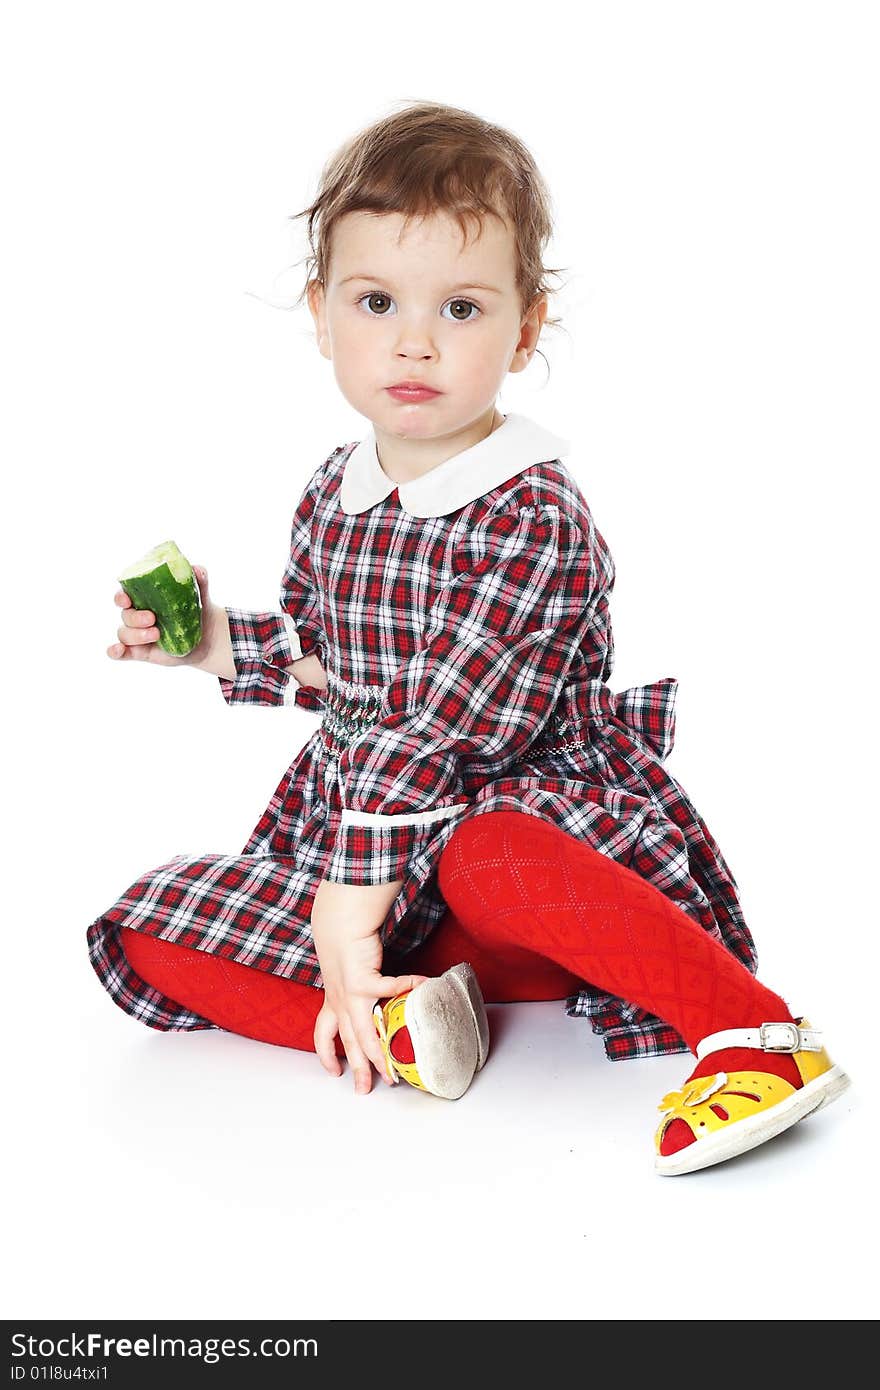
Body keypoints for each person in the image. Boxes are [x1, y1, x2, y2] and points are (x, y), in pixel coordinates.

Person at [89, 100, 849, 1175]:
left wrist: (349, 901)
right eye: (375, 301)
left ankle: (752, 1033)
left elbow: (442, 723)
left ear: (524, 328)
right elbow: (326, 658)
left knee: (485, 853)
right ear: (320, 313)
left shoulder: (534, 515)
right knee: (145, 921)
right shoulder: (331, 493)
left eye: (459, 307)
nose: (413, 341)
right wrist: (206, 641)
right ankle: (406, 1023)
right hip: (379, 866)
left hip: (517, 842)